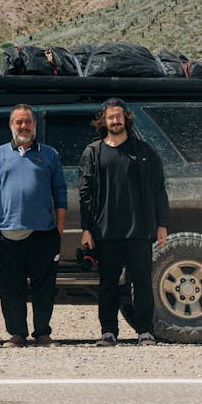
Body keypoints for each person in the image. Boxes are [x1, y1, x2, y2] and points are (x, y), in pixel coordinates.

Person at [78, 97, 169, 346]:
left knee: (141, 282)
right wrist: (87, 229)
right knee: (108, 283)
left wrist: (161, 224)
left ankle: (145, 331)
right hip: (105, 231)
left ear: (126, 118)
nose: (115, 120)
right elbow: (85, 193)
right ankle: (108, 331)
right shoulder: (93, 152)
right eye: (110, 117)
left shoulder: (144, 151)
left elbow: (159, 189)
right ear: (104, 121)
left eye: (118, 116)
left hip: (139, 230)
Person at [0, 103, 67, 347]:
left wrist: (58, 230)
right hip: (6, 234)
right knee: (11, 287)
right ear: (11, 126)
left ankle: (42, 332)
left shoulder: (49, 154)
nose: (23, 126)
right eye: (18, 122)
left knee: (44, 286)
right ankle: (17, 333)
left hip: (44, 233)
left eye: (27, 121)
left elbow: (60, 193)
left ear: (35, 125)